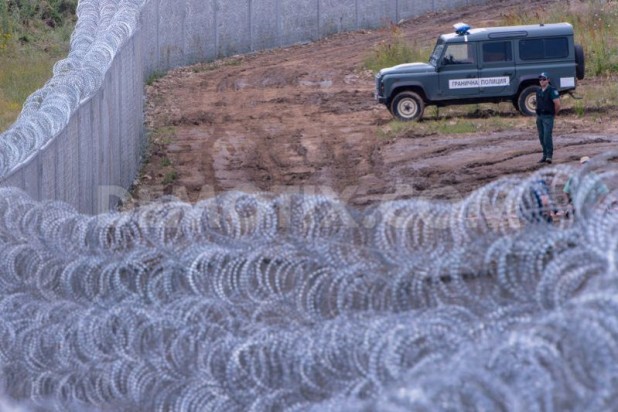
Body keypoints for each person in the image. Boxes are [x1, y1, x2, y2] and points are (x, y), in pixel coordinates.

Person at [535, 72, 561, 164]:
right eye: (540, 79)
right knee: (541, 136)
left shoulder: (552, 90)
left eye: (544, 79)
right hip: (539, 116)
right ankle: (544, 155)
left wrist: (554, 114)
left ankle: (549, 156)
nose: (541, 81)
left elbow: (557, 104)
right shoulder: (538, 90)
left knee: (547, 136)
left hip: (548, 116)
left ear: (548, 80)